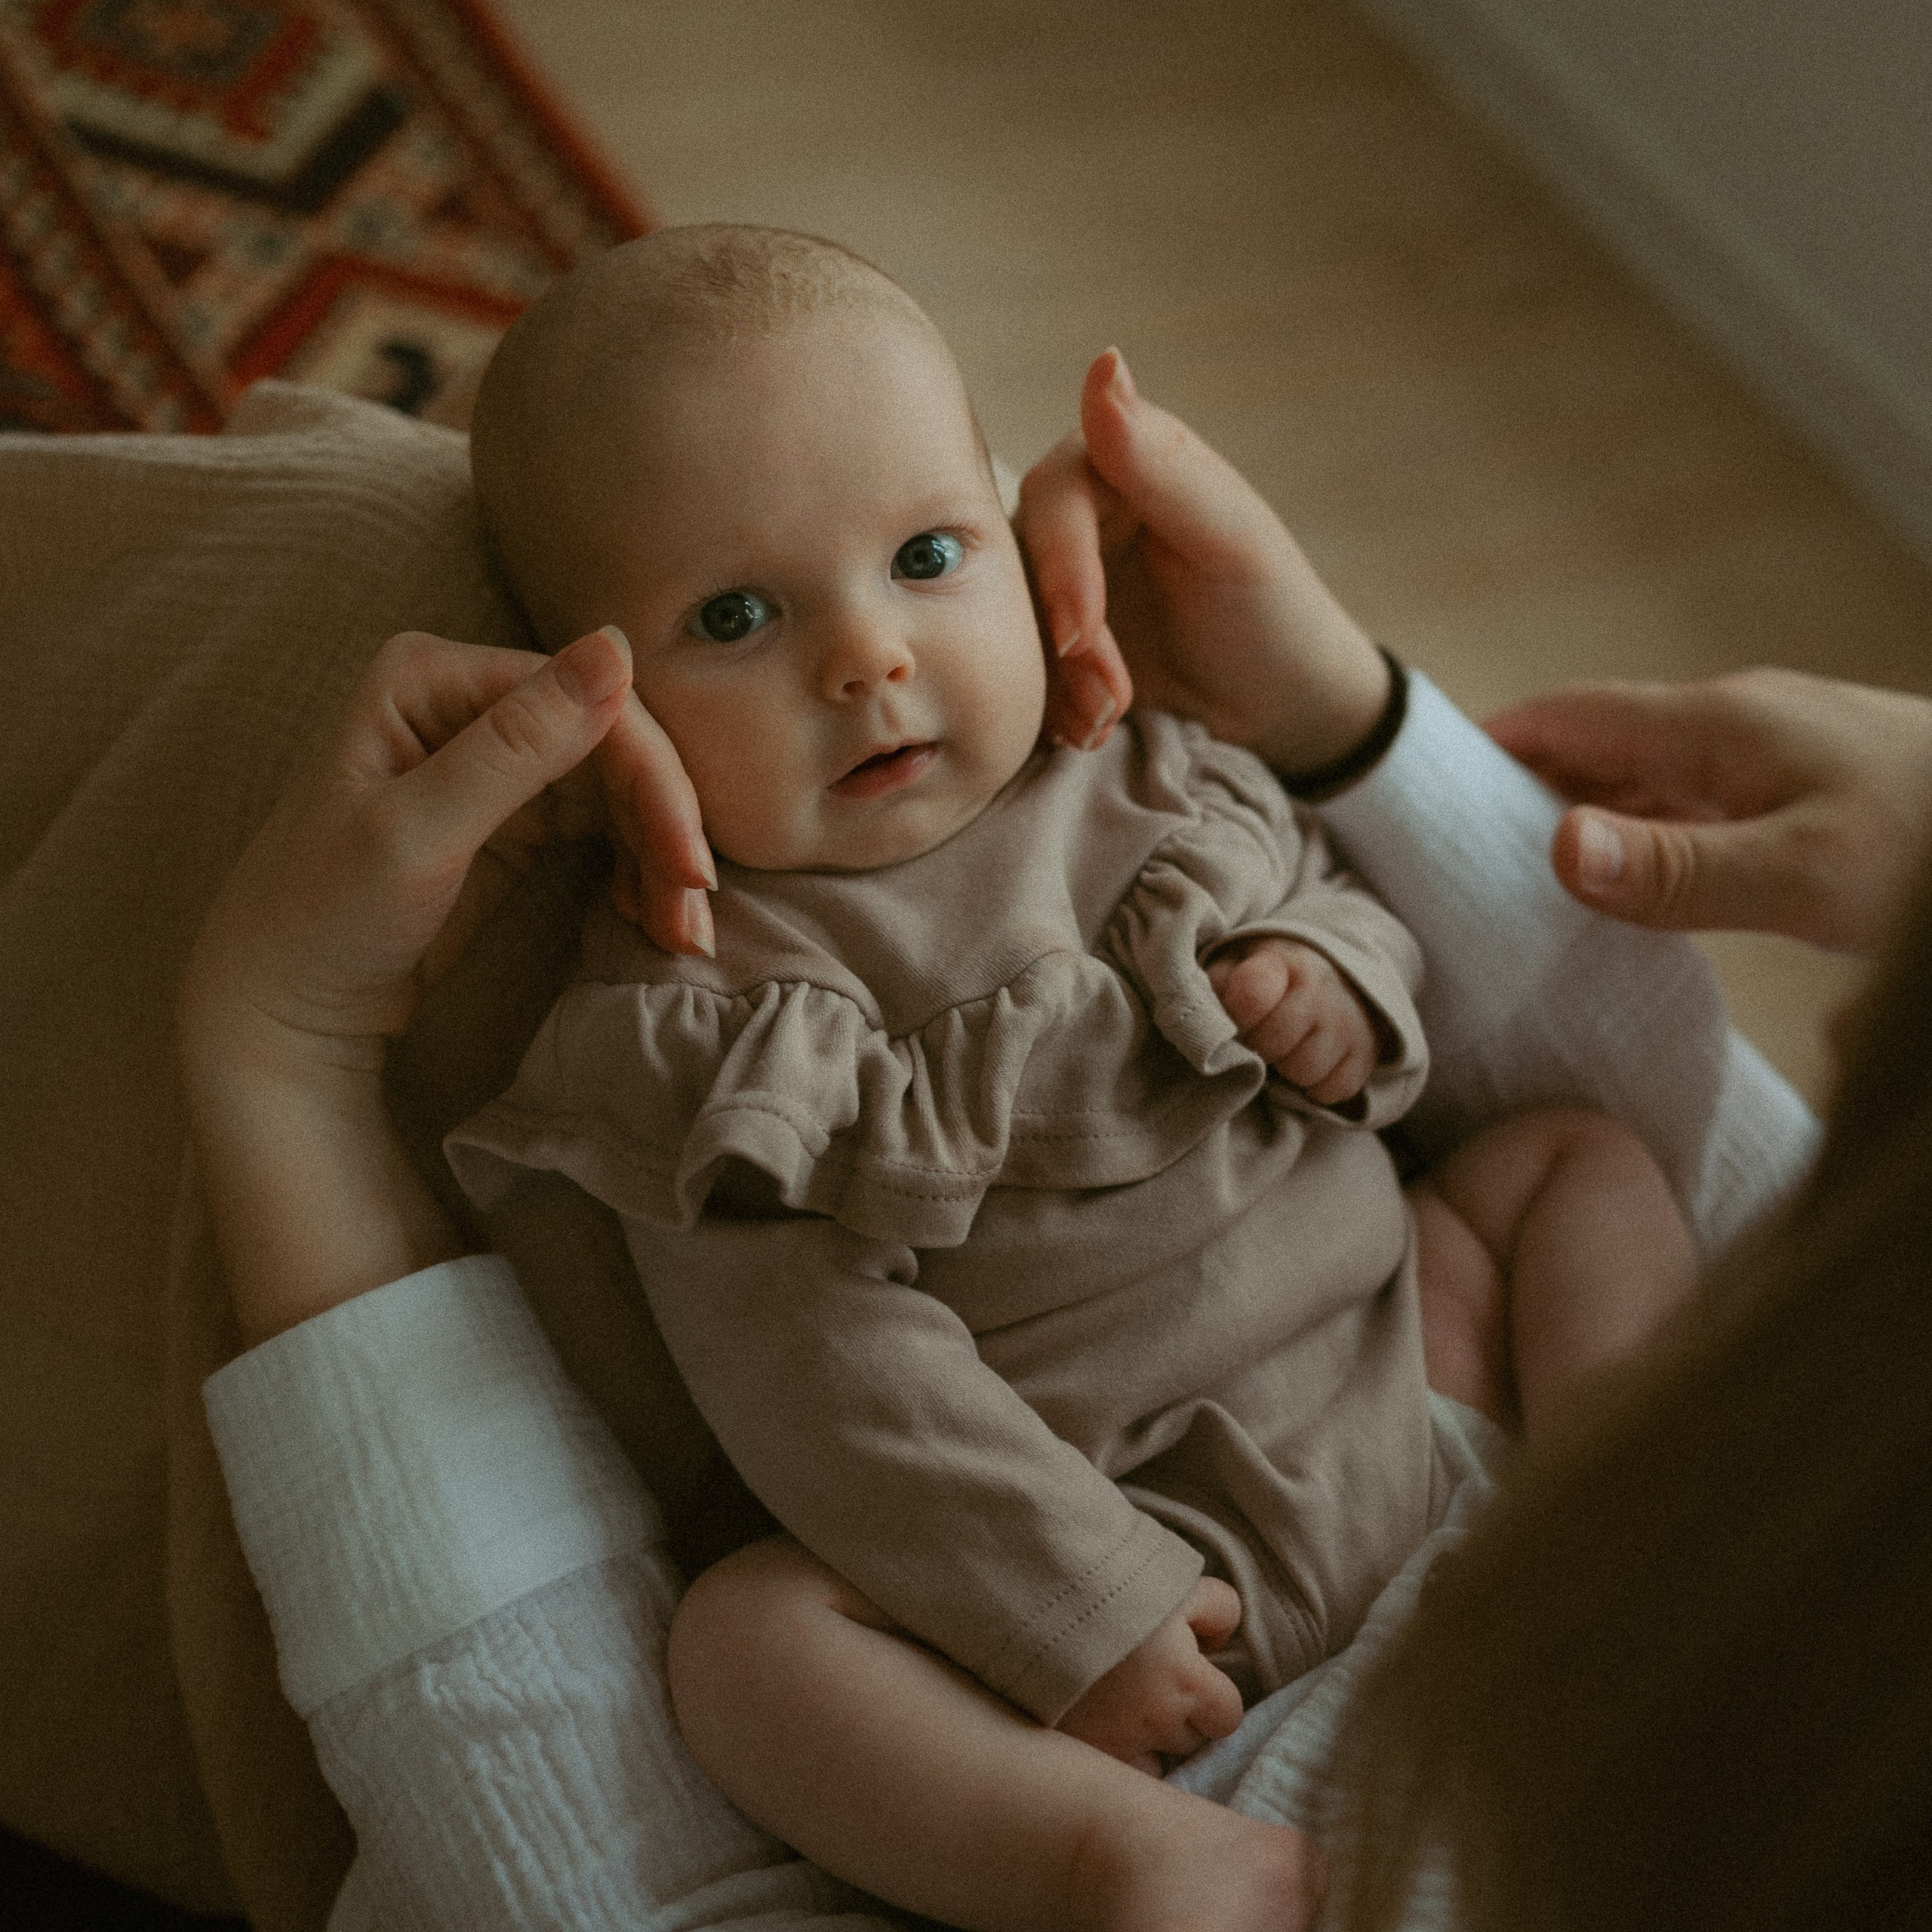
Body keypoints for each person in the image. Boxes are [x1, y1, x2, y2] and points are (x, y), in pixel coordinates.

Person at [178, 334, 1840, 1927]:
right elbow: (815, 1372)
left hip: (1413, 1388)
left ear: (1017, 557)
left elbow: (1335, 907)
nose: (865, 655)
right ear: (597, 718)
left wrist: (1332, 982)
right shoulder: (704, 1014)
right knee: (753, 1646)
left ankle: (1623, 1468)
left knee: (1564, 1163)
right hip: (1139, 1558)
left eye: (923, 554)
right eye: (735, 614)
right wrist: (1073, 1596)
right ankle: (1100, 1863)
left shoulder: (1144, 775)